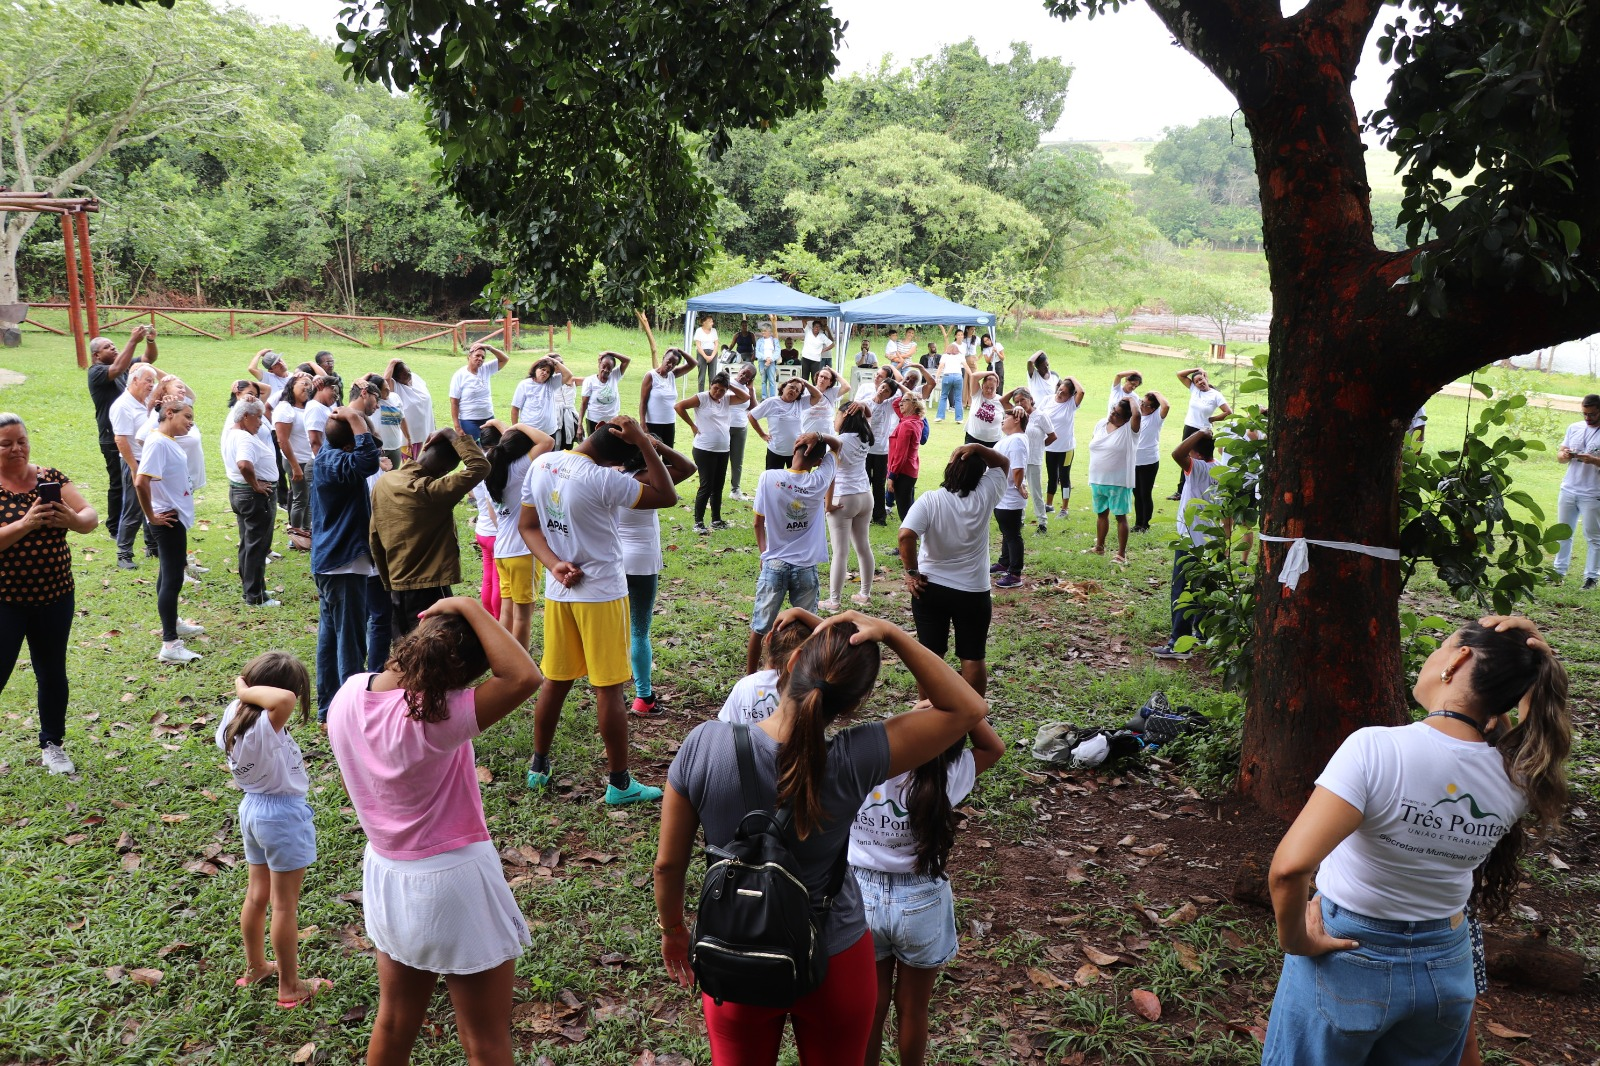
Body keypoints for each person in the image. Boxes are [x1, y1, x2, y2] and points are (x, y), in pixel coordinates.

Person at [654, 611, 990, 1066]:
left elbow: (667, 866)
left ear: (789, 662)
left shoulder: (703, 743)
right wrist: (892, 634)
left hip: (736, 951)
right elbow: (968, 708)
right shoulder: (857, 757)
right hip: (836, 959)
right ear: (852, 707)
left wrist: (674, 930)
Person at [1262, 614, 1570, 1066]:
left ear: (1458, 658)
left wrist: (1297, 942)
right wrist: (1531, 661)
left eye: (1440, 647)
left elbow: (1289, 870)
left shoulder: (1375, 749)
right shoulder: (1524, 775)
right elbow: (1538, 718)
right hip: (1446, 969)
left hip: (1350, 956)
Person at [327, 597, 542, 1066]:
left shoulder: (347, 695)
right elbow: (525, 677)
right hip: (452, 881)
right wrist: (472, 604)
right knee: (484, 1042)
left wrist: (454, 611)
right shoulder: (435, 718)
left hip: (386, 875)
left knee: (394, 1021)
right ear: (461, 678)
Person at [518, 416, 678, 802]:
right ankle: (620, 783)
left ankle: (538, 766)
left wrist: (553, 563)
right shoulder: (604, 479)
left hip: (561, 592)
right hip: (602, 594)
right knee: (608, 689)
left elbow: (528, 525)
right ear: (617, 458)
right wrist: (645, 444)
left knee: (555, 680)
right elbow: (667, 495)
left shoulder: (541, 463)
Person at [854, 717, 1004, 1066]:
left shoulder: (858, 769)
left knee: (871, 1007)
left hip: (860, 898)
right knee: (913, 1008)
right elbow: (993, 747)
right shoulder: (946, 776)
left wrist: (912, 716)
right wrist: (960, 713)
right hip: (922, 899)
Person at [215, 653, 330, 1008]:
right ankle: (290, 985)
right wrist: (243, 688)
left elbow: (275, 698)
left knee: (256, 896)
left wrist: (241, 691)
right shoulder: (266, 723)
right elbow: (285, 700)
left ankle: (255, 968)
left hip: (251, 809)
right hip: (281, 815)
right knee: (284, 906)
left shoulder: (232, 717)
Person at [0, 414, 98, 774]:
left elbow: (90, 517)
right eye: (6, 443)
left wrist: (71, 520)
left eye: (21, 440)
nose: (16, 449)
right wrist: (25, 523)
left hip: (55, 596)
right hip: (5, 600)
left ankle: (53, 744)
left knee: (52, 672)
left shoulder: (49, 478)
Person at [898, 444, 1009, 696]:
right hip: (973, 591)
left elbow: (905, 535)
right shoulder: (985, 494)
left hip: (930, 588)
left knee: (930, 656)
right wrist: (978, 447)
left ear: (950, 468)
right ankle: (973, 719)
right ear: (979, 476)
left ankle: (926, 716)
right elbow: (1002, 463)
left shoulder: (930, 500)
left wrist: (911, 573)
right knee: (972, 657)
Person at [370, 427, 490, 639]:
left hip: (397, 584)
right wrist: (453, 435)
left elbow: (375, 537)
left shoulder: (384, 482)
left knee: (404, 648)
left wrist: (389, 584)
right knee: (434, 649)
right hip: (429, 585)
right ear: (444, 471)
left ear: (424, 449)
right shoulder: (432, 491)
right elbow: (480, 466)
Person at [744, 430, 840, 673]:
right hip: (806, 567)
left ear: (793, 451)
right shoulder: (819, 481)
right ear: (818, 461)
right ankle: (802, 678)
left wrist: (764, 554)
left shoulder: (768, 477)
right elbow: (837, 446)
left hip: (774, 565)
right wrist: (819, 436)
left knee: (760, 627)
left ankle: (749, 677)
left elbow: (757, 523)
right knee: (808, 628)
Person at [310, 408, 383, 722]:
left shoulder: (329, 455)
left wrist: (353, 419)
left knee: (330, 638)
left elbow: (363, 452)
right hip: (343, 566)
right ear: (350, 442)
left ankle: (328, 708)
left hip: (332, 562)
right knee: (350, 642)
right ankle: (350, 714)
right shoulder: (337, 462)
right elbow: (369, 461)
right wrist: (356, 422)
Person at [621, 438, 698, 717]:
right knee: (639, 631)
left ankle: (611, 691)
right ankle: (643, 698)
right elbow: (688, 467)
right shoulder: (648, 479)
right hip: (641, 563)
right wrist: (656, 447)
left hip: (613, 562)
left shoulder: (608, 478)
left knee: (615, 628)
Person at [134, 398, 204, 664]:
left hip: (173, 516)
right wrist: (151, 516)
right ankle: (170, 643)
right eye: (187, 416)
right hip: (167, 519)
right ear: (169, 414)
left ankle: (172, 621)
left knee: (167, 574)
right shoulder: (158, 442)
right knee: (173, 578)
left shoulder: (166, 441)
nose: (190, 422)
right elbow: (141, 481)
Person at [483, 421, 555, 650]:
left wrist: (502, 427)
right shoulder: (521, 468)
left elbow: (494, 516)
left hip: (502, 551)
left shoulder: (492, 470)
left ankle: (503, 660)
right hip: (524, 552)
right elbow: (547, 441)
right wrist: (521, 424)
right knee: (523, 617)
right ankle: (520, 667)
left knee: (507, 611)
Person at [1151, 429, 1219, 661]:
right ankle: (1201, 635)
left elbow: (1175, 453)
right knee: (1201, 590)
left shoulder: (1197, 468)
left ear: (1196, 454)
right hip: (1211, 540)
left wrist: (1199, 432)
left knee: (1182, 591)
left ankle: (1179, 644)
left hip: (1191, 541)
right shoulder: (1221, 469)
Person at [87, 327, 155, 539]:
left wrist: (150, 341)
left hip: (132, 434)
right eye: (107, 347)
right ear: (97, 355)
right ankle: (115, 527)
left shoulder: (125, 366)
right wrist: (133, 339)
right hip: (112, 437)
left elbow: (147, 359)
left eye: (114, 345)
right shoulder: (96, 372)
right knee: (118, 483)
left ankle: (143, 528)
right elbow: (116, 368)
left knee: (135, 481)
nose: (113, 348)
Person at [221, 398, 280, 608]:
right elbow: (244, 464)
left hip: (239, 493)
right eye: (259, 417)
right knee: (258, 545)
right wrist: (256, 485)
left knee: (248, 543)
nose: (262, 422)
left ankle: (252, 587)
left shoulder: (233, 431)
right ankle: (255, 596)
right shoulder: (244, 439)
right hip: (253, 497)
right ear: (246, 416)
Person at [677, 371, 752, 535]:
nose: (718, 392)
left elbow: (746, 398)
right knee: (706, 485)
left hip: (723, 449)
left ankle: (716, 519)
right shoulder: (702, 398)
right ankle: (698, 522)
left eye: (722, 390)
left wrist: (729, 385)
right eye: (716, 388)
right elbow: (679, 406)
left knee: (718, 485)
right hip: (704, 449)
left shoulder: (726, 399)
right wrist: (692, 425)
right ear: (711, 385)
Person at [821, 402, 877, 612]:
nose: (835, 420)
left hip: (845, 498)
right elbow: (868, 416)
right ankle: (865, 594)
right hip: (865, 496)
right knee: (864, 547)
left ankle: (834, 601)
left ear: (845, 415)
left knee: (840, 552)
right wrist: (862, 407)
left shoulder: (840, 441)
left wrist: (828, 504)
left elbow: (830, 475)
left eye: (837, 415)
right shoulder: (865, 436)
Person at [719, 608, 817, 725]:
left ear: (768, 638)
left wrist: (797, 612)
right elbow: (841, 635)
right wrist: (799, 612)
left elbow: (726, 727)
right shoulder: (811, 690)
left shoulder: (744, 686)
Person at [110, 363, 158, 569]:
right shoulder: (122, 405)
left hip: (150, 460)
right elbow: (120, 440)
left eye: (153, 381)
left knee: (153, 503)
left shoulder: (146, 400)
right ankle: (124, 554)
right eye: (148, 380)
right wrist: (133, 467)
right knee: (134, 507)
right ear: (134, 380)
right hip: (135, 462)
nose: (151, 385)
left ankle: (153, 546)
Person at [1088, 397, 1144, 562]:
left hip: (1119, 482)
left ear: (1126, 418)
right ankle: (1099, 547)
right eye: (1113, 409)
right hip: (1098, 478)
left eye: (1117, 413)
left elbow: (1138, 415)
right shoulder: (1100, 424)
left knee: (1120, 517)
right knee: (1101, 514)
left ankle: (1121, 554)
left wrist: (1132, 400)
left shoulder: (1130, 430)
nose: (1112, 414)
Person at [1553, 393, 1600, 589]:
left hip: (1593, 492)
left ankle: (1591, 577)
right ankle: (1557, 572)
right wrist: (1563, 455)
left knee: (1594, 536)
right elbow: (1560, 455)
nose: (1587, 418)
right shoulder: (1574, 427)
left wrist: (1594, 460)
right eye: (1585, 414)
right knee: (1563, 532)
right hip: (1569, 488)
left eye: (1592, 414)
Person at [1168, 367, 1233, 500]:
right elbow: (1179, 374)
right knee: (1184, 457)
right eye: (1196, 381)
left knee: (1202, 458)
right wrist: (1197, 369)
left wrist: (1213, 418)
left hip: (1203, 431)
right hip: (1189, 427)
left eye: (1201, 379)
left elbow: (1228, 412)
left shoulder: (1215, 395)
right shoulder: (1194, 390)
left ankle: (1205, 486)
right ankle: (1181, 490)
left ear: (1206, 378)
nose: (1199, 383)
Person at [1002, 386, 1057, 535]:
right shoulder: (1016, 414)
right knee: (1018, 487)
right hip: (1018, 458)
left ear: (1031, 400)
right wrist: (1016, 389)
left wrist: (1039, 446)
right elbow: (1002, 400)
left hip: (1033, 459)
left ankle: (1042, 523)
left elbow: (1052, 435)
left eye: (1023, 400)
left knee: (1035, 491)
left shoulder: (1040, 416)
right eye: (1017, 401)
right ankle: (1019, 519)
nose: (1020, 403)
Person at [991, 408, 1031, 587]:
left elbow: (1018, 468)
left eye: (1006, 417)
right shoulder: (1010, 438)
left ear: (1016, 420)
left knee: (1013, 535)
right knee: (1007, 532)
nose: (1002, 420)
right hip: (1002, 495)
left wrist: (1018, 485)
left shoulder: (1017, 440)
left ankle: (1015, 573)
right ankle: (1004, 562)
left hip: (1010, 498)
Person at [273, 372, 315, 540]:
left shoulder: (309, 407)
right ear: (291, 386)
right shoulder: (285, 409)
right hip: (296, 460)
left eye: (309, 385)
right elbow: (282, 441)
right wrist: (296, 466)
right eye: (303, 383)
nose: (307, 387)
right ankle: (296, 535)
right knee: (300, 498)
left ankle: (307, 532)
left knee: (309, 498)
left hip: (309, 459)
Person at [748, 376, 823, 471]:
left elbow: (818, 396)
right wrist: (762, 434)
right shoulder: (771, 402)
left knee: (795, 482)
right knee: (774, 482)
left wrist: (804, 382)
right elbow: (751, 416)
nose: (793, 391)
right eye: (791, 387)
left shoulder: (799, 403)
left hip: (797, 452)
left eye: (797, 390)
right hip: (776, 450)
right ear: (783, 387)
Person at [862, 371, 905, 526]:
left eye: (887, 390)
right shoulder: (865, 402)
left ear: (890, 395)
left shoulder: (889, 405)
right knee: (864, 482)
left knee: (879, 484)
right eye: (882, 387)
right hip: (864, 450)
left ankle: (879, 516)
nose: (882, 391)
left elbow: (909, 395)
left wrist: (897, 384)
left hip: (881, 451)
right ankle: (863, 514)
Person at [1042, 375, 1086, 518]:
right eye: (1060, 390)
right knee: (1051, 476)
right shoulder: (1048, 400)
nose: (1060, 393)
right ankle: (1049, 505)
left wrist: (1072, 378)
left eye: (1065, 392)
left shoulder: (1071, 404)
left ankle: (1064, 508)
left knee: (1064, 477)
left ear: (1071, 395)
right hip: (1050, 447)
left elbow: (1082, 392)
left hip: (1065, 449)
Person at [449, 342, 509, 441]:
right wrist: (457, 427)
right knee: (477, 450)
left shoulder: (486, 368)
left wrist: (489, 347)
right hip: (469, 420)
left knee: (492, 447)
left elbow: (505, 359)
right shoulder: (459, 375)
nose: (480, 358)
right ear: (469, 356)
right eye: (477, 355)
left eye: (483, 357)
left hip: (488, 417)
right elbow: (454, 402)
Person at [1132, 391, 1170, 534]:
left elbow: (1166, 406)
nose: (1141, 405)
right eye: (1141, 402)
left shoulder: (1156, 417)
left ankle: (1145, 524)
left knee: (1145, 493)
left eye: (1145, 404)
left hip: (1149, 461)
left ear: (1153, 408)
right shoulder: (1137, 416)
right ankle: (1137, 523)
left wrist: (1156, 393)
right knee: (1136, 493)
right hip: (1135, 460)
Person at [639, 348, 693, 446]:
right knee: (652, 454)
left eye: (674, 364)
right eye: (668, 361)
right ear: (663, 358)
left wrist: (680, 351)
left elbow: (693, 363)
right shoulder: (651, 376)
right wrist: (643, 423)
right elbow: (643, 402)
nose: (670, 365)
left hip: (669, 422)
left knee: (668, 455)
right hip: (653, 423)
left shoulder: (672, 375)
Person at [887, 396, 926, 522]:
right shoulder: (916, 421)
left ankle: (910, 539)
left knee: (905, 514)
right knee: (909, 510)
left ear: (915, 405)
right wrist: (907, 392)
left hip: (902, 472)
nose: (901, 403)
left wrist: (892, 476)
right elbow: (895, 403)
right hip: (910, 471)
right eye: (902, 400)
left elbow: (900, 454)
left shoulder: (907, 425)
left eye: (905, 401)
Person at [386, 360, 434, 459]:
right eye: (404, 375)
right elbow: (386, 379)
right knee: (408, 464)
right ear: (396, 378)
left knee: (415, 460)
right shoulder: (395, 387)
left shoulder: (416, 379)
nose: (408, 375)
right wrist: (393, 362)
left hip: (421, 431)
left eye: (408, 372)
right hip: (407, 435)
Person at [579, 350, 632, 435]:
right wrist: (579, 425)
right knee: (595, 447)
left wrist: (610, 353)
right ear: (599, 364)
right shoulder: (590, 381)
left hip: (612, 421)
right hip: (594, 421)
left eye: (609, 368)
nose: (606, 370)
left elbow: (627, 360)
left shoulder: (615, 376)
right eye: (603, 366)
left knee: (610, 447)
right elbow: (583, 404)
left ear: (612, 369)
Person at [727, 363, 758, 502]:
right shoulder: (727, 382)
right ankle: (714, 487)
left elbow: (754, 408)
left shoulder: (748, 388)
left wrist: (750, 389)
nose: (743, 376)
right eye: (743, 372)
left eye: (748, 376)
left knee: (737, 460)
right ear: (739, 370)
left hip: (740, 427)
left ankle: (735, 489)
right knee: (719, 459)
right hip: (723, 425)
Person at [963, 370, 1004, 446]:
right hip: (972, 438)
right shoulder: (977, 394)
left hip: (993, 442)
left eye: (992, 388)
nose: (989, 390)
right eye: (986, 387)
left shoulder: (1001, 401)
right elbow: (974, 376)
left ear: (997, 386)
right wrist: (992, 372)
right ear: (982, 385)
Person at [304, 376, 338, 455]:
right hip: (323, 461)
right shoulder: (315, 408)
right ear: (321, 386)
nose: (336, 394)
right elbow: (315, 442)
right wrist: (324, 463)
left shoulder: (325, 407)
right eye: (333, 389)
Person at [934, 342, 968, 423]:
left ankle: (940, 416)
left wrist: (936, 377)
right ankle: (959, 418)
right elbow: (966, 366)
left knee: (943, 396)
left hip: (947, 376)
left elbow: (941, 367)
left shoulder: (945, 356)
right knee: (958, 398)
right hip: (958, 376)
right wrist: (972, 375)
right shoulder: (960, 356)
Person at [693, 315, 720, 392]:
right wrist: (705, 356)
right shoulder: (699, 330)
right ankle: (701, 393)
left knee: (713, 376)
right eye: (710, 321)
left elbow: (716, 344)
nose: (712, 323)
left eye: (712, 321)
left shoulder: (714, 330)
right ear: (704, 323)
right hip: (702, 354)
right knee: (702, 376)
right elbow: (698, 345)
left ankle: (712, 393)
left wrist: (712, 356)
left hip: (713, 353)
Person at [755, 324, 780, 399]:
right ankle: (764, 397)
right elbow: (757, 352)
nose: (763, 332)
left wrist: (771, 359)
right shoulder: (759, 341)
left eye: (765, 331)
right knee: (763, 380)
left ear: (769, 331)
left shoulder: (774, 340)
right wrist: (765, 358)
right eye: (762, 331)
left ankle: (772, 397)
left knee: (772, 380)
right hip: (762, 362)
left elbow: (777, 351)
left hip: (771, 363)